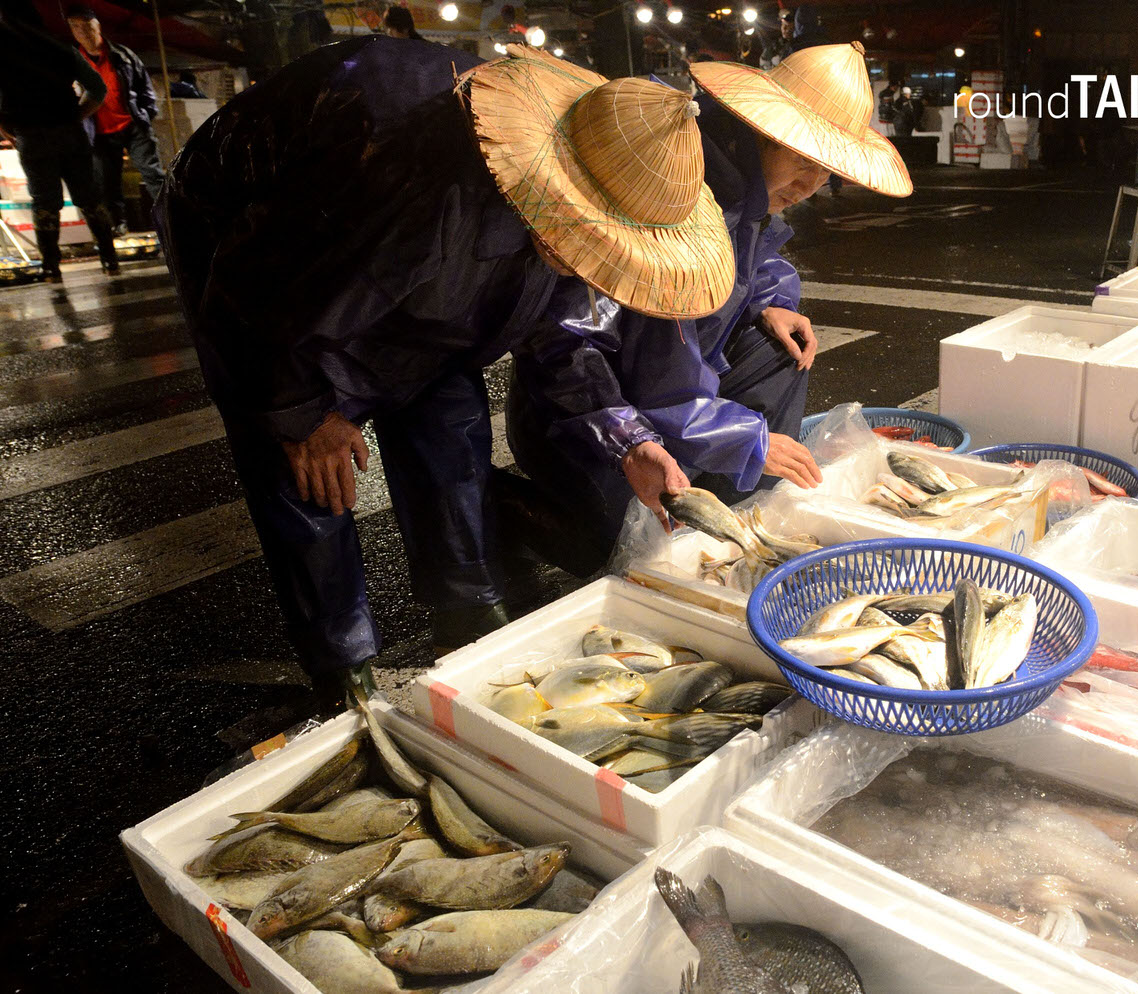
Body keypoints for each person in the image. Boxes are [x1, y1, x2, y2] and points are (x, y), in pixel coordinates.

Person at [157, 40, 732, 707]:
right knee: (310, 477)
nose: (589, 253)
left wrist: (629, 439)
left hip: (401, 282)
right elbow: (255, 298)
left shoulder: (566, 228)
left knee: (452, 433)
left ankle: (467, 614)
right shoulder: (402, 174)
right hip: (257, 257)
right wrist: (306, 413)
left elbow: (561, 338)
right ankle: (341, 666)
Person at [504, 41, 912, 573]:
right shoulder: (674, 182)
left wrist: (772, 301)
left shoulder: (741, 184)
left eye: (827, 169)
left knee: (780, 351)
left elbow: (752, 261)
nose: (813, 184)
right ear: (759, 131)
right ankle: (496, 507)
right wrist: (719, 440)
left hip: (657, 394)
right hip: (585, 413)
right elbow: (593, 353)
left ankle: (714, 486)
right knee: (622, 549)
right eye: (802, 158)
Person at [0, 3, 120, 281]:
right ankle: (109, 258)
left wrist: (6, 125)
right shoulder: (60, 48)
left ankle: (51, 266)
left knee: (44, 201)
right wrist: (77, 113)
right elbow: (98, 88)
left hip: (31, 135)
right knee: (89, 195)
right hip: (69, 131)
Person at [64, 4, 165, 233]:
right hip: (98, 131)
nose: (82, 31)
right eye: (75, 27)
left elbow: (145, 88)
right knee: (108, 184)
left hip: (133, 123)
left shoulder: (122, 55)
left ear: (97, 26)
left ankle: (169, 217)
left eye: (87, 25)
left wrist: (147, 114)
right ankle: (117, 226)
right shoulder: (71, 62)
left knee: (153, 174)